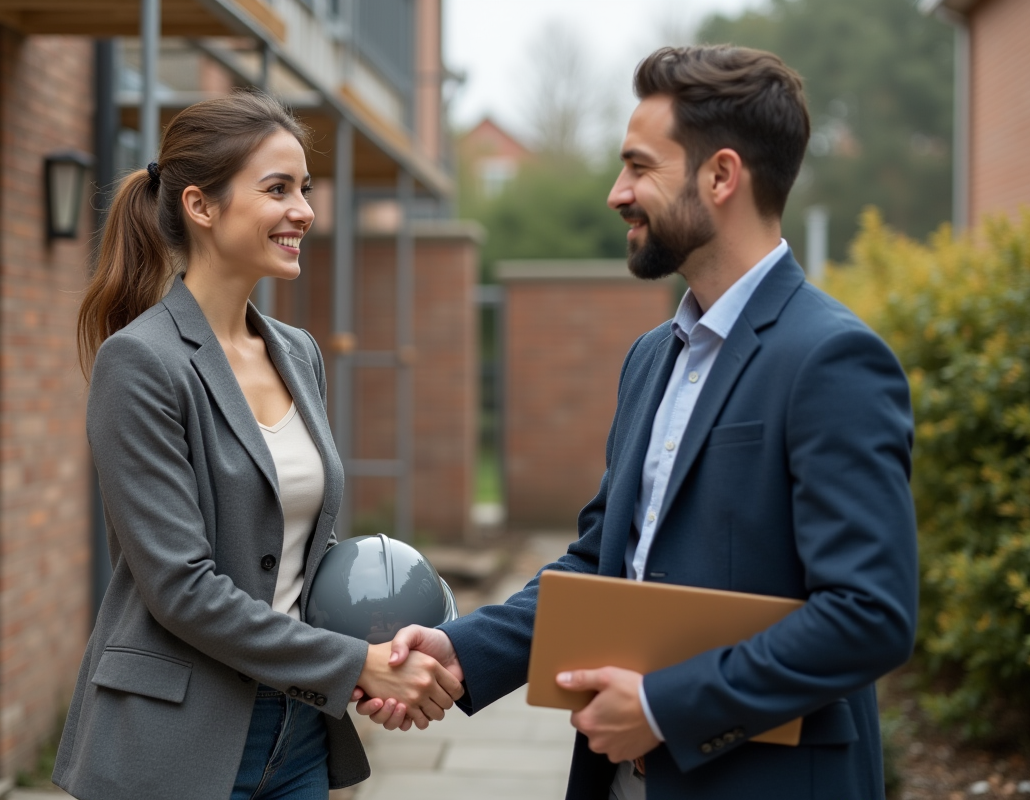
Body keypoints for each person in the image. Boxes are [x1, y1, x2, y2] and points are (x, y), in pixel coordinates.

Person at [359, 45, 918, 800]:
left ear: (722, 176)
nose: (618, 193)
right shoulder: (653, 358)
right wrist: (461, 650)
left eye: (639, 166)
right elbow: (602, 565)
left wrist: (664, 706)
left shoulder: (833, 360)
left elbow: (869, 615)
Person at [52, 91, 462, 800]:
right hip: (175, 742)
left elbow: (300, 551)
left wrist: (401, 636)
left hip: (296, 734)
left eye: (305, 188)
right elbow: (181, 587)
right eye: (278, 189)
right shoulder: (142, 363)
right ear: (200, 206)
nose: (304, 209)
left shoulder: (298, 353)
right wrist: (354, 663)